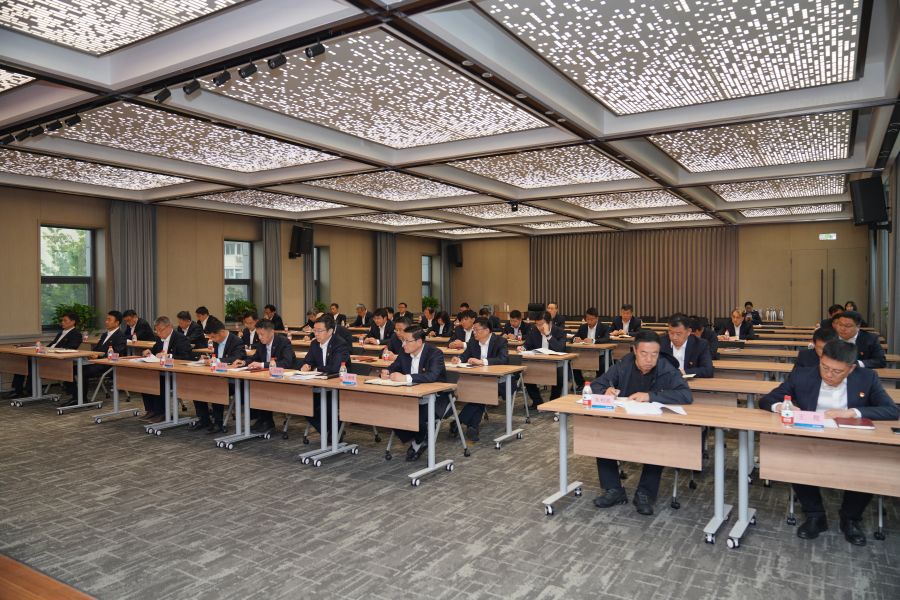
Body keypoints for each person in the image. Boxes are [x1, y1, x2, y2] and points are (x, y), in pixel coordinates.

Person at [759, 340, 898, 545]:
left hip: (854, 441)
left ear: (851, 369)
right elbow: (767, 400)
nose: (829, 374)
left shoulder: (867, 377)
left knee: (870, 464)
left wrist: (852, 412)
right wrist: (782, 407)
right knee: (793, 456)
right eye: (824, 367)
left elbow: (891, 410)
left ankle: (850, 518)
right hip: (811, 438)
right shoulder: (802, 374)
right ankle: (815, 515)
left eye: (837, 371)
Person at [592, 331, 692, 515]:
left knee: (658, 443)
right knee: (601, 435)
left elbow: (686, 395)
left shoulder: (666, 367)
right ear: (635, 351)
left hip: (654, 426)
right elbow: (597, 384)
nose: (649, 359)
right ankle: (613, 490)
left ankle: (645, 494)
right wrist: (606, 390)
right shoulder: (624, 364)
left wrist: (650, 396)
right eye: (644, 353)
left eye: (654, 354)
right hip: (624, 421)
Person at [382, 326, 449, 461]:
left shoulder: (435, 353)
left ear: (419, 342)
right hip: (410, 396)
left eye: (407, 341)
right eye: (403, 340)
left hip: (434, 397)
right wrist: (387, 372)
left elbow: (432, 376)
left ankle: (419, 439)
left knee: (411, 414)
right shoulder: (404, 352)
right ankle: (420, 438)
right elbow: (394, 367)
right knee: (391, 411)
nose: (403, 344)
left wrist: (406, 378)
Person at [450, 317, 510, 441]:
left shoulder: (500, 341)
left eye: (476, 330)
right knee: (480, 393)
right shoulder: (473, 342)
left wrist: (482, 362)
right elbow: (465, 355)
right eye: (474, 330)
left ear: (487, 330)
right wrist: (458, 359)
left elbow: (503, 359)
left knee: (481, 393)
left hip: (498, 380)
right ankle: (472, 426)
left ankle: (459, 421)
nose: (474, 332)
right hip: (478, 380)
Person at [4, 311, 82, 400]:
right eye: (62, 321)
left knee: (33, 365)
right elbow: (53, 344)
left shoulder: (76, 334)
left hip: (58, 360)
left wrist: (50, 350)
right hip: (48, 355)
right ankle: (18, 390)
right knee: (23, 363)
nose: (62, 323)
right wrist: (44, 348)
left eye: (65, 320)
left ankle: (30, 390)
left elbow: (71, 348)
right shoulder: (61, 332)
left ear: (73, 322)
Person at [235, 319, 295, 433]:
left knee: (261, 388)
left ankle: (267, 421)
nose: (260, 337)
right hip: (266, 378)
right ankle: (262, 419)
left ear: (271, 332)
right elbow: (255, 358)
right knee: (247, 385)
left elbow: (287, 363)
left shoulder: (284, 342)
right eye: (258, 334)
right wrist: (243, 362)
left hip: (283, 379)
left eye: (262, 334)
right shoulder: (261, 344)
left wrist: (263, 364)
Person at [188, 322, 245, 434]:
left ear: (221, 332)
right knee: (197, 386)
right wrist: (208, 360)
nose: (212, 340)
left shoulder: (236, 341)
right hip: (216, 376)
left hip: (231, 380)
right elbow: (215, 357)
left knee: (217, 387)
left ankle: (218, 422)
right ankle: (204, 419)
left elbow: (237, 358)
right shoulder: (216, 341)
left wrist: (217, 361)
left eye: (213, 337)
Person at [300, 315, 351, 440]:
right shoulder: (314, 344)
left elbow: (335, 368)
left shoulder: (340, 344)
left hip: (339, 386)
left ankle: (334, 432)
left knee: (327, 405)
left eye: (319, 331)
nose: (316, 334)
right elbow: (308, 361)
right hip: (319, 385)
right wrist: (306, 365)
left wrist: (315, 369)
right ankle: (331, 431)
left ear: (330, 331)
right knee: (303, 404)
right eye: (314, 330)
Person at [62, 311, 127, 407]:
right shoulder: (105, 334)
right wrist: (91, 354)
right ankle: (75, 396)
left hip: (107, 364)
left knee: (82, 372)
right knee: (70, 369)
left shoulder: (120, 336)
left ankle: (81, 399)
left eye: (109, 320)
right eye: (106, 319)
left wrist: (99, 356)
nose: (106, 322)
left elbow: (117, 354)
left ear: (117, 323)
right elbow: (97, 349)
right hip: (95, 362)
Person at [139, 316, 194, 422]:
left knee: (160, 382)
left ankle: (161, 412)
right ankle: (151, 410)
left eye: (160, 330)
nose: (158, 333)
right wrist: (148, 352)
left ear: (169, 327)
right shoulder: (159, 339)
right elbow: (154, 352)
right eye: (156, 331)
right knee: (146, 380)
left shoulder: (180, 338)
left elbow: (187, 358)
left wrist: (169, 356)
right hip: (162, 371)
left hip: (176, 374)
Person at [523, 311, 567, 409]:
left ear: (549, 323)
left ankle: (553, 402)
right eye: (537, 324)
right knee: (525, 373)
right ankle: (537, 401)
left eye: (541, 324)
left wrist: (548, 335)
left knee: (560, 375)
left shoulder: (559, 331)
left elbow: (560, 349)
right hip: (538, 362)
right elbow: (527, 344)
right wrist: (523, 348)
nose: (539, 327)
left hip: (556, 363)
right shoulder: (534, 331)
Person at [572, 307, 611, 389]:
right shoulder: (583, 327)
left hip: (600, 354)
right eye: (587, 319)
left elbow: (606, 339)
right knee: (572, 360)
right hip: (584, 353)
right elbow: (573, 338)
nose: (589, 321)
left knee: (603, 362)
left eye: (591, 319)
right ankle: (580, 383)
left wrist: (593, 341)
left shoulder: (604, 327)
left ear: (597, 318)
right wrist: (576, 339)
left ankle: (599, 383)